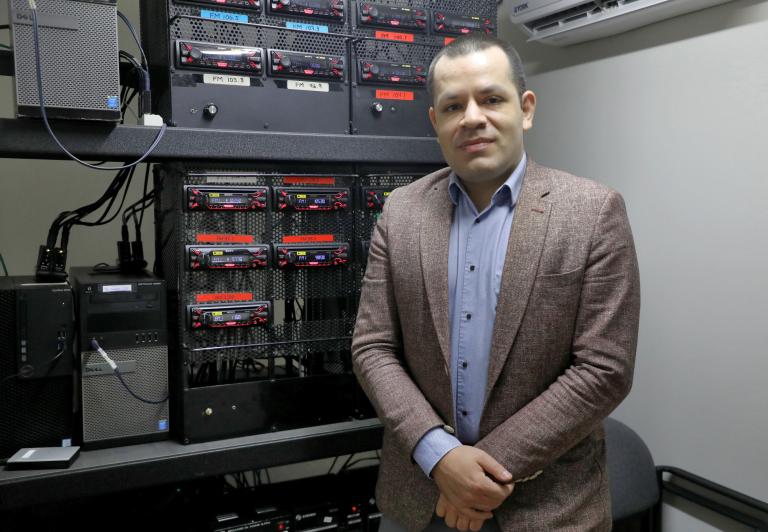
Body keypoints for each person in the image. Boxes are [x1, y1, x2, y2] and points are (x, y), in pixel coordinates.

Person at [352, 33, 640, 532]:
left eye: (491, 99)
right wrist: (439, 456)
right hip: (420, 503)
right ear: (435, 122)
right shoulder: (400, 213)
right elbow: (373, 347)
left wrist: (477, 473)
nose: (472, 118)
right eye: (453, 105)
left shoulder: (593, 213)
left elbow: (604, 368)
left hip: (548, 509)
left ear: (525, 108)